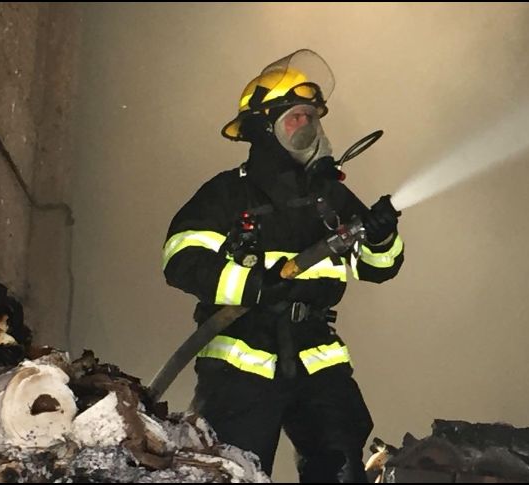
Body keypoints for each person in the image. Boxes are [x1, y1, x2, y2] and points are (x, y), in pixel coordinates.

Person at [162, 49, 404, 482]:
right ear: (263, 126)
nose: (308, 127)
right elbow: (181, 259)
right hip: (242, 358)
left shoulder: (328, 197)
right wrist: (252, 285)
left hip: (316, 354)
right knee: (234, 471)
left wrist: (382, 235)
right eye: (296, 117)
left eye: (312, 117)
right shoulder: (227, 194)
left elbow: (378, 267)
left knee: (343, 466)